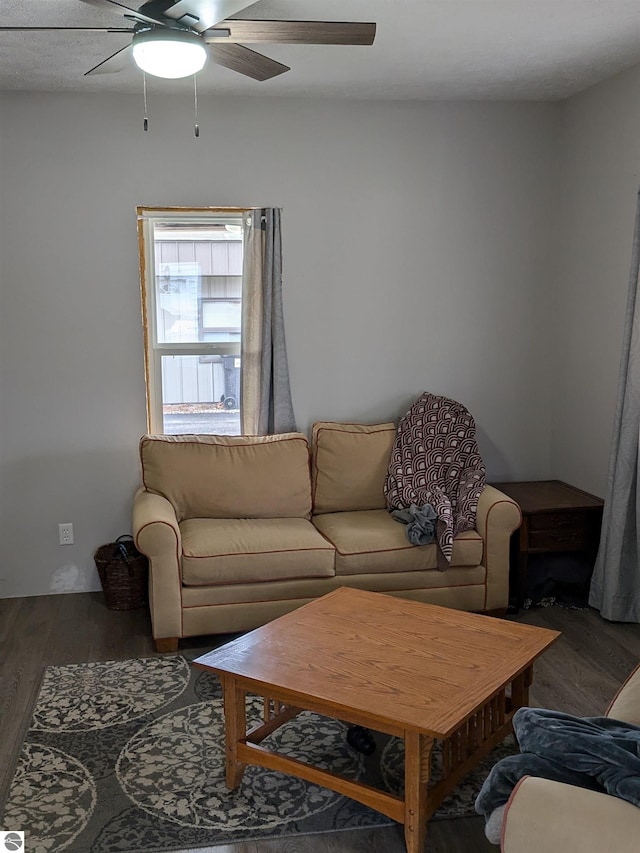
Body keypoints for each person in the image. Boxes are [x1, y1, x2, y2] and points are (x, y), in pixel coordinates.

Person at [475, 705, 640, 844]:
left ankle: (501, 813)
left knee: (528, 724)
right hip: (626, 745)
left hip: (618, 768)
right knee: (529, 723)